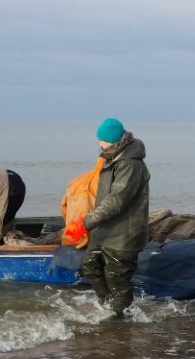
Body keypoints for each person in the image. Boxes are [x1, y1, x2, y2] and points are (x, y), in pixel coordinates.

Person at [65, 118, 150, 316]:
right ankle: (106, 305)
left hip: (123, 236)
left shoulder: (130, 165)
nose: (99, 144)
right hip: (104, 231)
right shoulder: (112, 159)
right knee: (89, 265)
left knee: (118, 280)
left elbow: (117, 201)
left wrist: (86, 222)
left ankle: (121, 320)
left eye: (102, 140)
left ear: (114, 141)